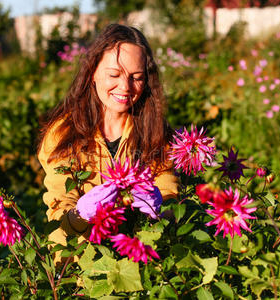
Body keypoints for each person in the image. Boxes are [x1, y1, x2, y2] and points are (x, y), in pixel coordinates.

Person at [37, 24, 178, 263]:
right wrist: (79, 215)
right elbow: (58, 205)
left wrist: (162, 206)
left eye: (137, 77)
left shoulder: (154, 131)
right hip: (80, 265)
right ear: (92, 72)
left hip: (140, 259)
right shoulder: (63, 133)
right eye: (114, 75)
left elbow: (170, 193)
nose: (125, 87)